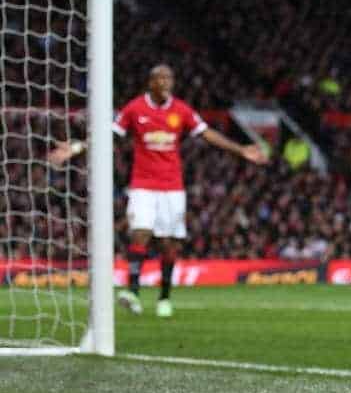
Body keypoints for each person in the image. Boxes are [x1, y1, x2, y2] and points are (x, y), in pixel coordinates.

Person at [49, 64, 267, 317]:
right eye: (160, 78)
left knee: (168, 244)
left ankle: (164, 296)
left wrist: (240, 150)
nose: (165, 83)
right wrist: (77, 148)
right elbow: (108, 135)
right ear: (150, 82)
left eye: (169, 78)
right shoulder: (135, 109)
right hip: (143, 185)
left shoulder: (181, 110)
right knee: (140, 233)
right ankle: (132, 291)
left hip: (173, 187)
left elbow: (206, 133)